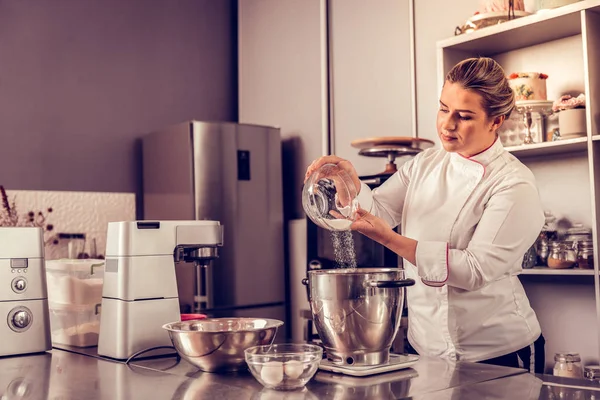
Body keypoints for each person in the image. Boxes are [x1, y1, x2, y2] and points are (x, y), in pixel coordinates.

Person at [304, 57, 546, 373]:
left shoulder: (513, 183)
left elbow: (474, 270)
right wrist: (350, 183)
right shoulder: (425, 164)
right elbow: (377, 211)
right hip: (427, 350)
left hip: (497, 352)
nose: (447, 124)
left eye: (464, 115)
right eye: (443, 108)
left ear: (496, 121)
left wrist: (390, 240)